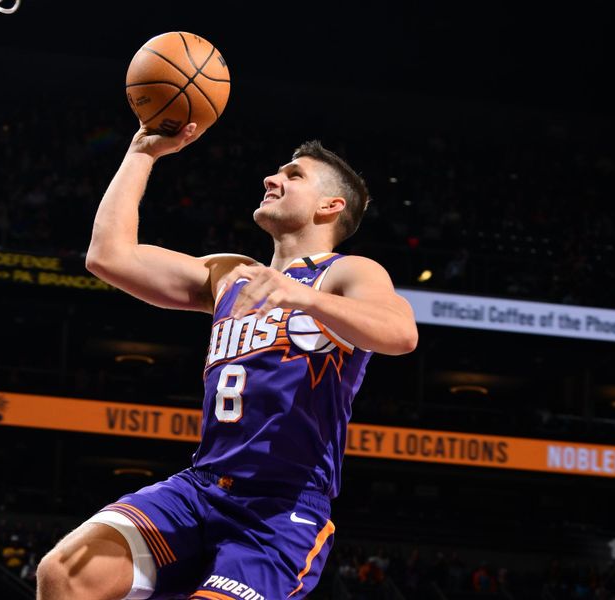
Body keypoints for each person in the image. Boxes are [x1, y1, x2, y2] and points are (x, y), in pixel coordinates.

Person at [36, 122, 418, 600]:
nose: (271, 180)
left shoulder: (346, 272)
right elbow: (108, 256)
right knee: (64, 573)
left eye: (293, 175)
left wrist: (303, 298)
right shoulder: (228, 275)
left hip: (279, 509)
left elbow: (401, 335)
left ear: (330, 206)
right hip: (199, 489)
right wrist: (142, 153)